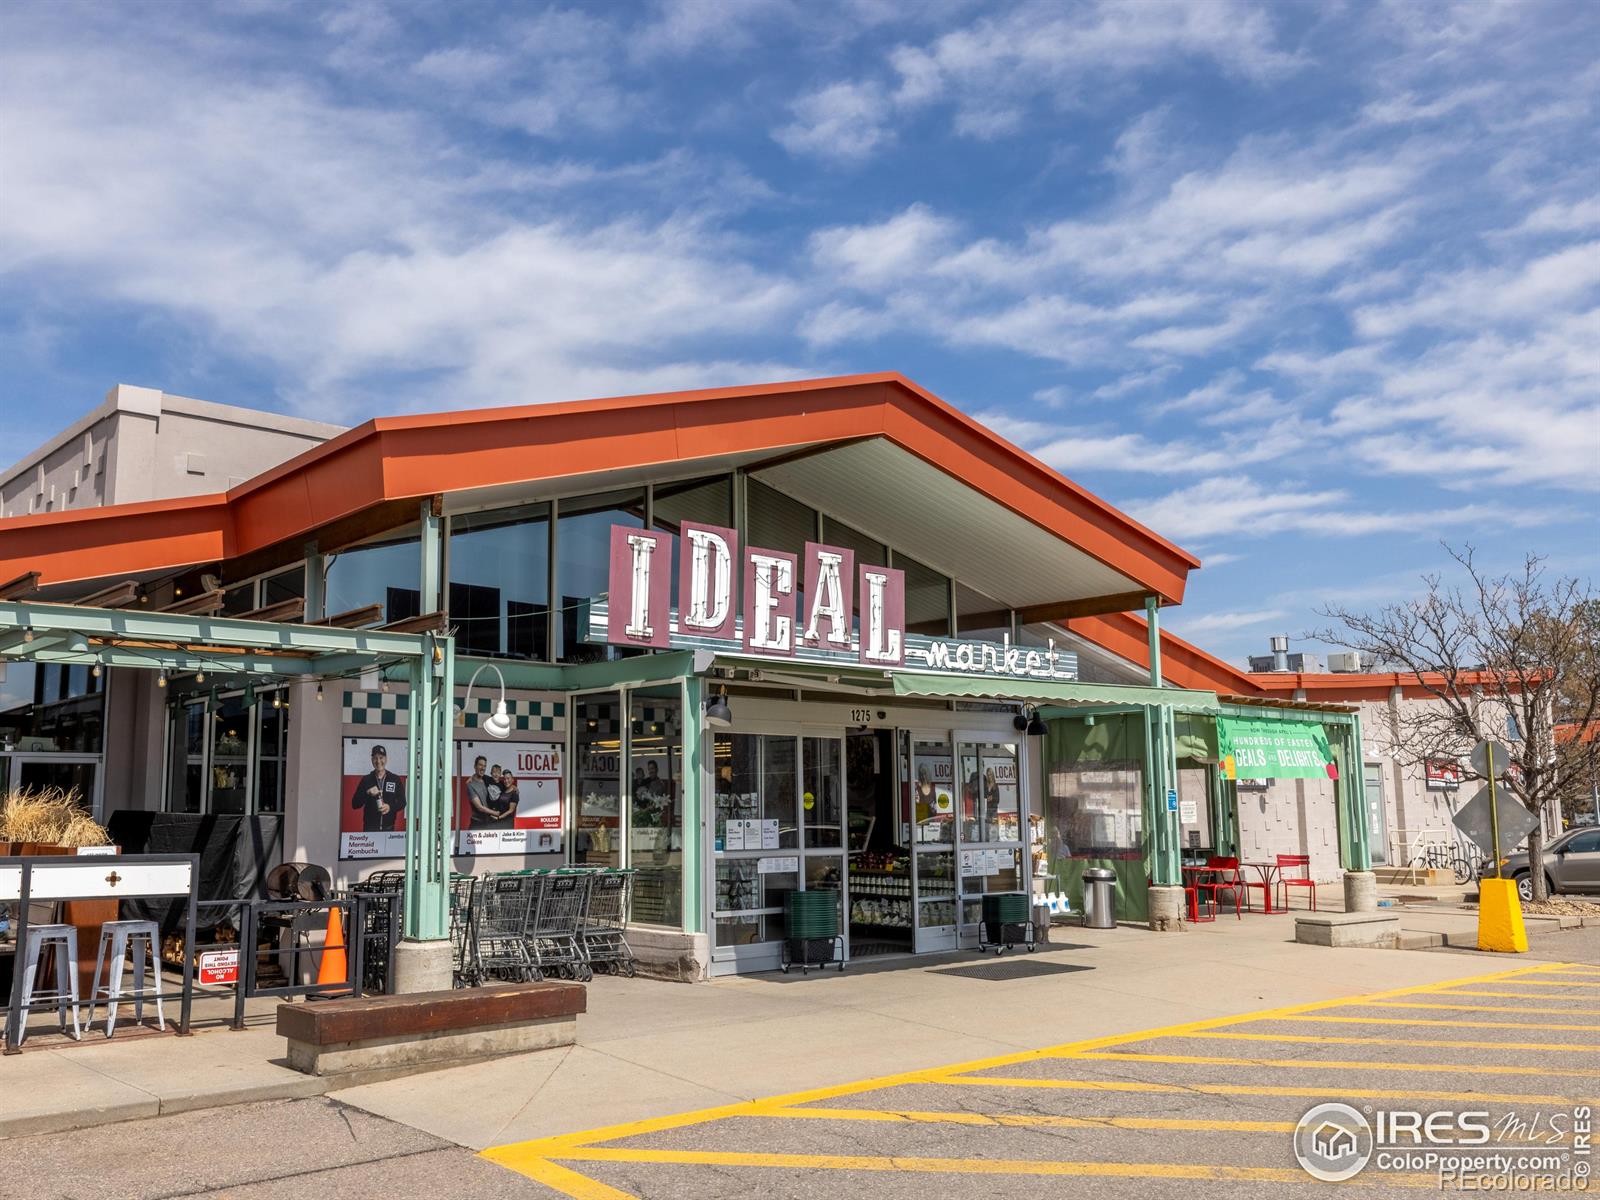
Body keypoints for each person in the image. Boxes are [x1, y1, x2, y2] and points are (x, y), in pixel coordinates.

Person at [349, 744, 406, 832]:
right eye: (375, 758)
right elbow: (355, 804)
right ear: (372, 760)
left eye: (381, 757)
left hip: (389, 829)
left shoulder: (395, 779)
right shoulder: (366, 780)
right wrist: (367, 793)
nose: (378, 761)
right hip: (370, 829)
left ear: (386, 759)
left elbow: (402, 802)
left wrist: (390, 807)